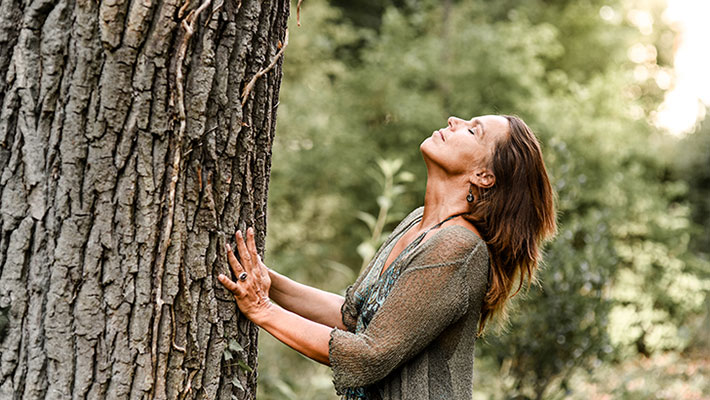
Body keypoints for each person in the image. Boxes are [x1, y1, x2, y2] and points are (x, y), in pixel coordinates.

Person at [218, 115, 557, 399]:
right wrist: (265, 280)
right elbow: (352, 317)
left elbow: (369, 354)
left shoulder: (459, 248)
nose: (454, 121)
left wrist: (264, 310)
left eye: (472, 130)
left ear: (483, 176)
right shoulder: (417, 222)